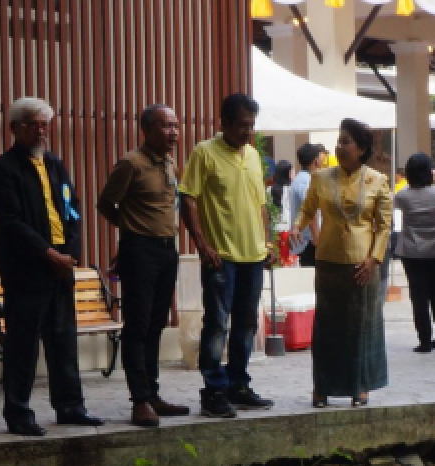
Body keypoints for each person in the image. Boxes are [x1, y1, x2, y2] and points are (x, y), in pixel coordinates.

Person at [0, 98, 102, 434]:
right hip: (27, 270)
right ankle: (19, 413)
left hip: (60, 267)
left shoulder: (54, 164)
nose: (40, 131)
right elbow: (11, 221)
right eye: (32, 124)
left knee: (63, 340)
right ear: (15, 128)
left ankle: (70, 406)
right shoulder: (3, 169)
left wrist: (71, 251)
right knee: (23, 345)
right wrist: (49, 254)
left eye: (45, 124)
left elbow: (72, 207)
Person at [179, 93, 276, 419]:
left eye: (251, 125)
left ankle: (238, 385)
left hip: (253, 256)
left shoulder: (253, 155)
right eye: (242, 126)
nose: (248, 132)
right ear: (224, 123)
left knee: (246, 323)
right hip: (221, 257)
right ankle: (214, 391)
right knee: (217, 324)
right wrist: (202, 245)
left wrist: (267, 243)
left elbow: (261, 204)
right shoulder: (204, 152)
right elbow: (188, 199)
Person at [97, 104, 188, 430]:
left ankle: (153, 393)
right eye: (166, 126)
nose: (173, 132)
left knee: (156, 324)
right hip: (140, 251)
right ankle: (139, 400)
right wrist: (131, 228)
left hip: (167, 250)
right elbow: (105, 203)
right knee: (137, 325)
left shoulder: (170, 163)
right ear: (147, 130)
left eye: (175, 126)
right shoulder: (131, 163)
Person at [295, 118, 392, 407]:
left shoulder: (378, 180)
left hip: (363, 265)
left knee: (361, 326)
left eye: (345, 142)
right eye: (338, 141)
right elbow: (307, 209)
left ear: (361, 148)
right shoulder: (321, 178)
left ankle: (360, 386)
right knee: (327, 327)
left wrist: (374, 260)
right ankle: (321, 387)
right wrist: (297, 227)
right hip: (328, 262)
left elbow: (384, 226)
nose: (339, 147)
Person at [393, 152, 435, 353]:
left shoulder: (404, 196)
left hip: (413, 253)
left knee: (419, 297)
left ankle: (425, 340)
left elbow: (393, 202)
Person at [290, 143, 322, 267]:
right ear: (316, 161)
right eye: (320, 157)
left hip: (305, 241)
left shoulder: (300, 178)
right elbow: (310, 210)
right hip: (308, 242)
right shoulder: (307, 181)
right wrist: (316, 238)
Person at [270, 160, 295, 232]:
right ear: (288, 174)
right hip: (288, 227)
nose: (294, 174)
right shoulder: (291, 190)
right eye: (293, 172)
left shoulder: (269, 189)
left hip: (274, 228)